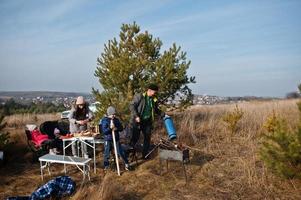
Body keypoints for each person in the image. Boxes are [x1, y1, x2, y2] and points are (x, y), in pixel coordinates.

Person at [129, 83, 165, 159]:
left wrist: (163, 114)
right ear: (149, 90)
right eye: (154, 92)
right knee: (135, 138)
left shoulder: (153, 100)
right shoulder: (140, 96)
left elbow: (155, 110)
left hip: (147, 122)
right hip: (138, 121)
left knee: (147, 138)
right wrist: (136, 116)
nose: (155, 93)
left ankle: (145, 155)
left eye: (156, 92)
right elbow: (132, 106)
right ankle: (130, 155)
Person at [100, 106, 130, 171]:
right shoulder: (104, 120)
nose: (113, 115)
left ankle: (127, 163)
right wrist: (110, 128)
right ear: (109, 114)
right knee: (107, 153)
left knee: (120, 152)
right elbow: (104, 131)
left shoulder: (116, 120)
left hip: (116, 139)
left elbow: (121, 128)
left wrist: (116, 128)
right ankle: (106, 166)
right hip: (108, 139)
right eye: (112, 114)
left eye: (114, 114)